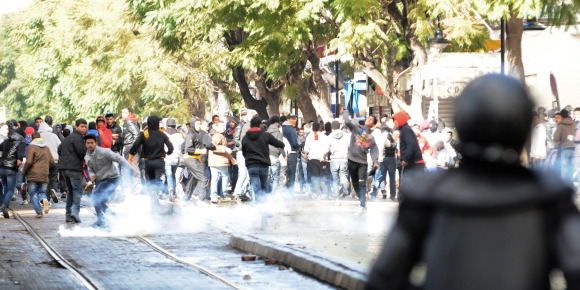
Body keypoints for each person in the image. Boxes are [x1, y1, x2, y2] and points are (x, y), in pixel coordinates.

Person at [366, 74, 580, 290]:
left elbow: (383, 279)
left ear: (463, 123)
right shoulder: (551, 196)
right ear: (524, 127)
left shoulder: (427, 194)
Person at [84, 134, 133, 228]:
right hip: (102, 180)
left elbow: (118, 158)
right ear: (85, 144)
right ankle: (113, 216)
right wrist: (92, 177)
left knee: (96, 197)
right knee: (99, 200)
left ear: (96, 143)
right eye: (88, 143)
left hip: (113, 179)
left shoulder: (104, 151)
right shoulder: (87, 156)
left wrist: (130, 169)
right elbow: (90, 169)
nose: (90, 145)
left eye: (91, 143)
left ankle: (101, 220)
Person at [129, 116, 173, 203]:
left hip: (148, 162)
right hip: (159, 161)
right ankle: (159, 192)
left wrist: (131, 154)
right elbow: (171, 146)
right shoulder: (162, 134)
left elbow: (135, 145)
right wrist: (168, 152)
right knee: (159, 178)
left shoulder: (145, 134)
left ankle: (154, 199)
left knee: (151, 181)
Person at [342, 110, 379, 212]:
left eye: (371, 119)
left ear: (374, 125)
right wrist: (345, 113)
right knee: (355, 182)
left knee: (362, 182)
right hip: (351, 159)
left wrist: (375, 161)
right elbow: (347, 122)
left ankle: (362, 204)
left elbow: (375, 150)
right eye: (368, 118)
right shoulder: (357, 128)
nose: (368, 119)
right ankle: (361, 198)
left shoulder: (371, 138)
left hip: (362, 162)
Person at [242, 116, 285, 202]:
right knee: (264, 186)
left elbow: (244, 152)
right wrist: (282, 146)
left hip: (252, 165)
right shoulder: (265, 135)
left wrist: (249, 160)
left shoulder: (245, 138)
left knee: (256, 188)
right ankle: (264, 207)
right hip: (263, 165)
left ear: (250, 125)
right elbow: (278, 143)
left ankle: (259, 207)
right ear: (260, 125)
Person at [58, 119, 88, 223]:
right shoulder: (79, 138)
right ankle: (75, 212)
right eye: (82, 126)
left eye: (85, 127)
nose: (84, 129)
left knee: (70, 191)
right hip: (74, 168)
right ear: (77, 127)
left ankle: (68, 214)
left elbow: (59, 149)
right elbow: (81, 152)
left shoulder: (68, 138)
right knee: (77, 191)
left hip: (64, 168)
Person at [392, 111, 424, 199]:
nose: (394, 122)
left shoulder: (406, 130)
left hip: (414, 164)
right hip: (413, 164)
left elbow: (411, 145)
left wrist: (406, 159)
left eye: (395, 120)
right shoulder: (405, 129)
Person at [182, 117, 215, 201]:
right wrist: (200, 151)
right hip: (189, 158)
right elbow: (188, 149)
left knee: (193, 180)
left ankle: (186, 199)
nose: (199, 126)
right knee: (203, 178)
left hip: (195, 158)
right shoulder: (191, 134)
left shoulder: (198, 134)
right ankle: (200, 199)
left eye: (200, 124)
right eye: (197, 124)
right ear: (192, 124)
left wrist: (198, 157)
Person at [22, 132, 54, 218]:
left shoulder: (31, 147)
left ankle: (39, 212)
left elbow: (28, 162)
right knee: (42, 192)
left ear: (32, 139)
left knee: (32, 193)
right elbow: (52, 162)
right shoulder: (46, 148)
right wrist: (45, 167)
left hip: (33, 174)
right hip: (44, 174)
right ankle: (44, 199)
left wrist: (24, 171)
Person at [0, 123, 26, 218]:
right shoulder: (22, 141)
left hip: (2, 167)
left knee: (5, 187)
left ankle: (2, 206)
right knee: (10, 189)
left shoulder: (7, 139)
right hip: (11, 168)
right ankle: (4, 205)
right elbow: (19, 158)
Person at [208, 121, 234, 203]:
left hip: (216, 161)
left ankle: (215, 195)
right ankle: (221, 195)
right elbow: (213, 146)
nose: (223, 127)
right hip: (219, 161)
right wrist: (225, 149)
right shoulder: (218, 136)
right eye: (220, 126)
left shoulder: (220, 135)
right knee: (223, 178)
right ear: (216, 127)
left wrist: (231, 158)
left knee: (216, 178)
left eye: (223, 125)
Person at [303, 122, 330, 197]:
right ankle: (325, 192)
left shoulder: (309, 137)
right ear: (320, 128)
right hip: (322, 159)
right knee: (322, 176)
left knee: (315, 176)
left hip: (312, 158)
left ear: (312, 128)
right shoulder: (324, 136)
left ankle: (316, 192)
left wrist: (306, 152)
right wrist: (324, 156)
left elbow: (306, 149)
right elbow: (327, 148)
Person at [37, 121, 61, 203]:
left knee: (45, 179)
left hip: (43, 162)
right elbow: (60, 146)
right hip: (55, 160)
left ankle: (46, 197)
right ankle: (54, 190)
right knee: (54, 178)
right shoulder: (54, 136)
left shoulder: (39, 136)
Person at [328, 120, 350, 205]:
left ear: (332, 128)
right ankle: (344, 180)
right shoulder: (346, 135)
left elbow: (326, 148)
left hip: (334, 160)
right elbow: (350, 145)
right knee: (343, 175)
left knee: (335, 180)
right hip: (344, 159)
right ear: (339, 126)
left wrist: (324, 155)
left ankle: (337, 199)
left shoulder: (330, 136)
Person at [553, 109, 576, 185]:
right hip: (574, 148)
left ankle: (566, 186)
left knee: (565, 168)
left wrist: (559, 140)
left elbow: (555, 137)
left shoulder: (561, 126)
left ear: (562, 116)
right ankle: (572, 184)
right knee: (572, 167)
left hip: (565, 149)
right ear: (568, 115)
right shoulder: (574, 124)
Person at [164, 118, 184, 200]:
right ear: (175, 126)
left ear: (167, 125)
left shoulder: (164, 134)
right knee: (173, 175)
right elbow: (182, 147)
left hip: (167, 157)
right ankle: (174, 193)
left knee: (168, 176)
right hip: (176, 158)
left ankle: (170, 191)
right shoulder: (179, 135)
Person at [266, 115, 285, 194]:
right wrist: (283, 155)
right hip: (275, 157)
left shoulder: (265, 133)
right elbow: (281, 146)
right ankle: (273, 195)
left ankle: (266, 193)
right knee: (275, 177)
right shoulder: (279, 134)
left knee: (267, 177)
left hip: (266, 157)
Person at [282, 114, 300, 192]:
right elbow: (294, 142)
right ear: (288, 119)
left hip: (282, 153)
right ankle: (290, 192)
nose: (294, 120)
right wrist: (298, 147)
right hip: (292, 153)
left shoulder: (281, 128)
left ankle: (284, 191)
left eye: (295, 118)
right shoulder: (291, 129)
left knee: (284, 173)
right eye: (292, 119)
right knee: (292, 174)